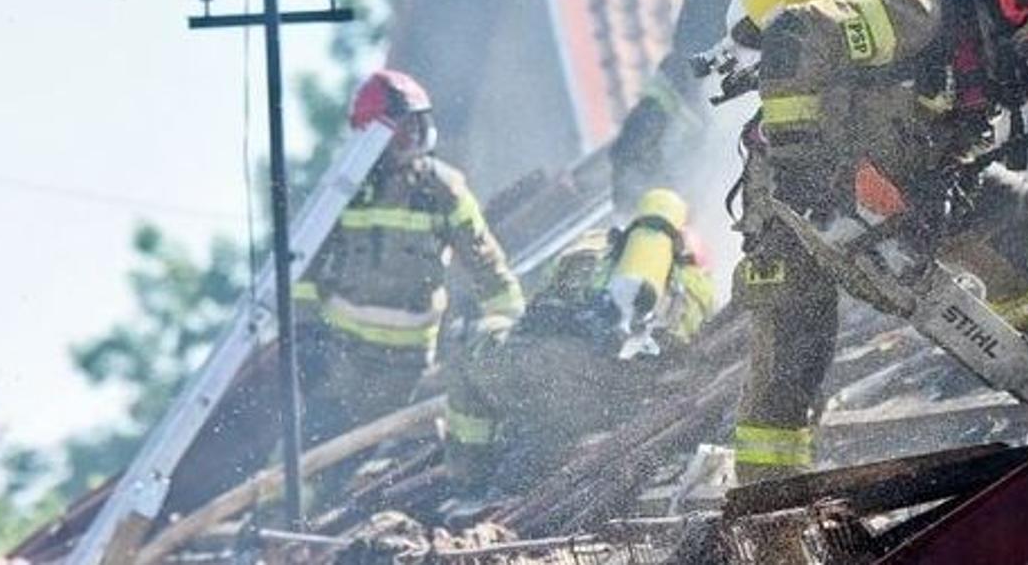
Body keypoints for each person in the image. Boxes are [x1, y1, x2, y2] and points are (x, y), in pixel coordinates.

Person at [730, 0, 1028, 482]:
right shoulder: (914, 8)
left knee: (1013, 221)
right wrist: (816, 177)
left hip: (904, 179)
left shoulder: (981, 27)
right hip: (794, 194)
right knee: (793, 348)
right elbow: (793, 40)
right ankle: (769, 519)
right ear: (1017, 1)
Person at [441, 188, 717, 511]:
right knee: (547, 421)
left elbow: (541, 314)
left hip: (571, 379)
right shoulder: (697, 284)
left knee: (473, 350)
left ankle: (469, 486)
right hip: (634, 398)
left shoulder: (598, 249)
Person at [294, 69, 525, 449]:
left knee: (403, 460)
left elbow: (489, 268)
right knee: (309, 465)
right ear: (373, 134)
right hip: (342, 365)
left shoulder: (443, 190)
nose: (415, 135)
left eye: (419, 123)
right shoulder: (342, 190)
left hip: (409, 369)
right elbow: (304, 270)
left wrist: (515, 330)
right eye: (403, 127)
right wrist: (305, 338)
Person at [610, 0, 799, 209]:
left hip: (715, 142)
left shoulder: (782, 8)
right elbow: (695, 64)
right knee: (638, 159)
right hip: (682, 128)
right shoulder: (708, 4)